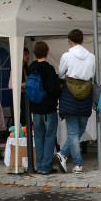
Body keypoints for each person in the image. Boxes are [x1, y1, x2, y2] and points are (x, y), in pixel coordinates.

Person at [56, 28, 95, 175]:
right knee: (81, 129)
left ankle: (73, 161)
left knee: (73, 132)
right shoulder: (91, 56)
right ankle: (66, 156)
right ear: (83, 40)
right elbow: (93, 74)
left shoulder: (66, 56)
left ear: (70, 41)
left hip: (70, 94)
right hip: (86, 93)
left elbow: (61, 74)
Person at [27, 40, 61, 175]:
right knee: (49, 137)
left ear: (35, 53)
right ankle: (46, 167)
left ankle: (40, 165)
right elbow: (53, 89)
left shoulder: (31, 68)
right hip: (48, 108)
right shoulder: (49, 68)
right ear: (47, 52)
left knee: (38, 138)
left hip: (35, 108)